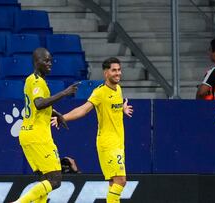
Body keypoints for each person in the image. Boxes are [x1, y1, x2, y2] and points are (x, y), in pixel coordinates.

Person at [51, 57, 133, 203]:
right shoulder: (100, 92)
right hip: (108, 144)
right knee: (121, 181)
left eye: (119, 70)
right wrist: (62, 117)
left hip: (119, 143)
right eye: (114, 70)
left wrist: (122, 108)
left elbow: (113, 106)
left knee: (113, 183)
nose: (118, 73)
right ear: (106, 73)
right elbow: (83, 109)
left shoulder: (118, 89)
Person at [12, 48, 77, 203]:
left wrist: (57, 114)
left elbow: (38, 106)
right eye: (46, 60)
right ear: (36, 62)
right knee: (55, 180)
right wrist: (64, 93)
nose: (50, 64)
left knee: (45, 179)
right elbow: (39, 103)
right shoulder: (36, 81)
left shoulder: (32, 80)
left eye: (51, 61)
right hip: (38, 136)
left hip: (28, 135)